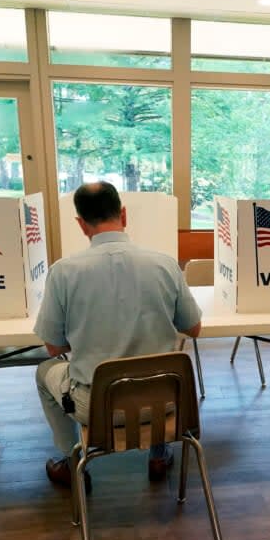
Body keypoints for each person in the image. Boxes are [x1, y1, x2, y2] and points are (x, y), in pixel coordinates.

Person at [34, 182, 202, 490]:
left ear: (81, 224)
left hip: (97, 407)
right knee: (155, 366)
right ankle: (159, 454)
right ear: (123, 215)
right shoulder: (165, 264)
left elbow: (53, 346)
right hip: (165, 402)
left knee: (44, 372)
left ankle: (71, 463)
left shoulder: (63, 272)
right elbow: (193, 328)